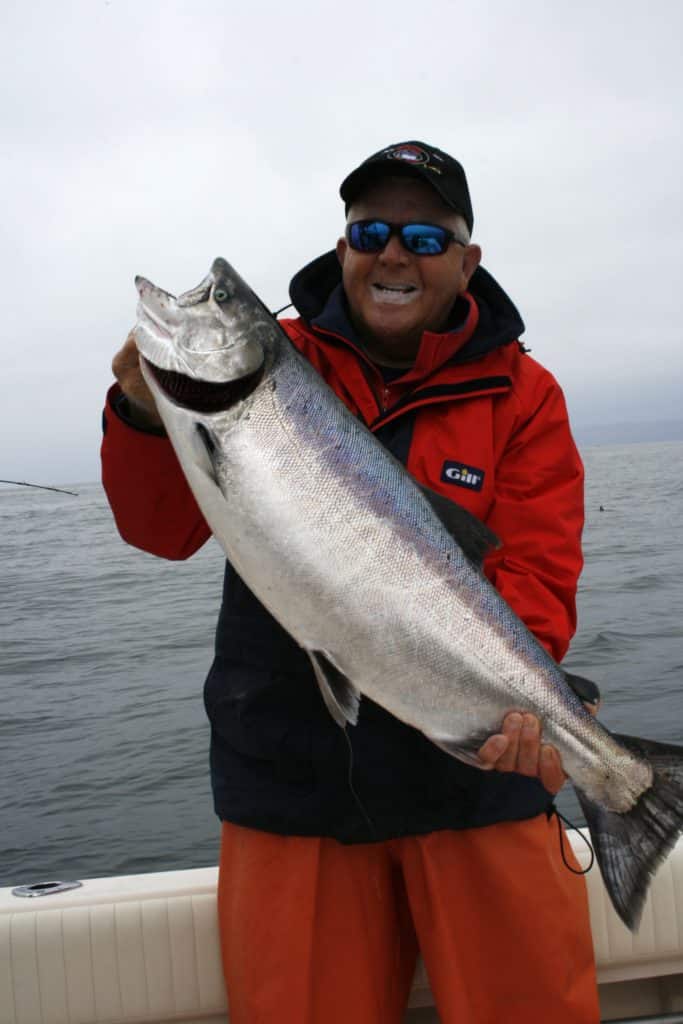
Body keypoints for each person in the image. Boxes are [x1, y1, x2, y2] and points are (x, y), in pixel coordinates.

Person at [102, 141, 600, 1023]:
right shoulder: (277, 367)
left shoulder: (522, 394)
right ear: (342, 249)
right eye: (369, 230)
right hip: (291, 789)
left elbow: (536, 569)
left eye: (423, 234)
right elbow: (161, 531)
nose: (393, 253)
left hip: (478, 786)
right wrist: (145, 414)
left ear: (467, 261)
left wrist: (523, 707)